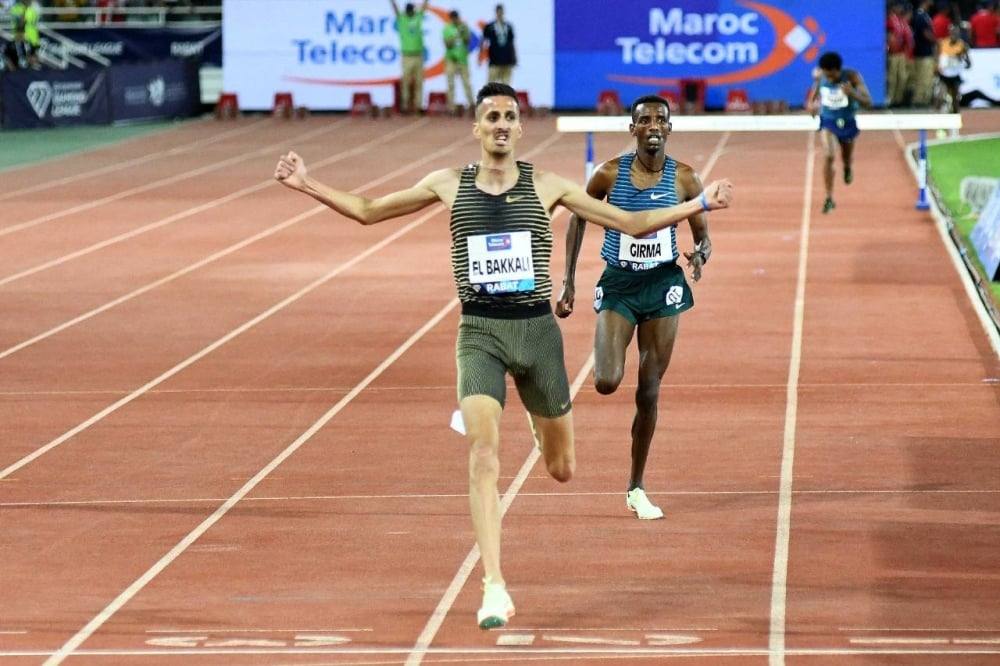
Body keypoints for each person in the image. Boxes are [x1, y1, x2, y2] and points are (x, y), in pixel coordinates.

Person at [274, 82, 734, 629]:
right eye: (489, 114)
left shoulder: (549, 185)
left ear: (519, 128)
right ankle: (494, 584)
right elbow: (370, 211)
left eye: (508, 115)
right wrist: (307, 185)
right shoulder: (448, 184)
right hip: (480, 332)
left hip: (537, 333)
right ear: (476, 127)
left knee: (563, 469)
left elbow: (630, 223)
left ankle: (544, 431)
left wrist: (699, 204)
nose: (499, 122)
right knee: (483, 454)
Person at [554, 95, 710, 521]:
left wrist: (699, 256)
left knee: (650, 389)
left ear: (671, 128)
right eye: (645, 120)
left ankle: (636, 486)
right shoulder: (608, 175)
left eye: (662, 119)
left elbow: (702, 235)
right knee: (606, 380)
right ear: (633, 130)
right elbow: (577, 217)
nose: (654, 126)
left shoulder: (686, 179)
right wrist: (568, 282)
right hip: (620, 284)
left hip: (663, 287)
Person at [808, 52, 872, 214]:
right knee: (828, 155)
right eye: (826, 75)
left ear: (838, 70)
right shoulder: (821, 76)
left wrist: (852, 93)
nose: (829, 79)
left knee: (846, 156)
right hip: (828, 121)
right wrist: (813, 106)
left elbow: (868, 102)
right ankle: (829, 197)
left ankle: (847, 167)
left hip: (847, 121)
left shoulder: (852, 76)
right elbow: (813, 99)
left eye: (831, 76)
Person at [390, 0, 429, 114]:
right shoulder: (402, 19)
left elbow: (424, 7)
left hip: (418, 55)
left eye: (411, 10)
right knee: (406, 81)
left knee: (419, 81)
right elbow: (395, 10)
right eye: (408, 11)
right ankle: (405, 105)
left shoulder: (418, 17)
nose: (409, 12)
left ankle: (418, 106)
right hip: (406, 55)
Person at [443, 9, 474, 115]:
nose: (455, 20)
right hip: (451, 60)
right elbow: (447, 44)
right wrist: (456, 34)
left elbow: (468, 41)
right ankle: (451, 108)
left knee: (467, 83)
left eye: (456, 17)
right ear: (451, 18)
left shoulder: (464, 27)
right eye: (453, 18)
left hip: (462, 59)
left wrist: (464, 32)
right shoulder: (447, 29)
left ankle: (471, 105)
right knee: (451, 84)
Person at [937, 24, 971, 114]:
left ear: (959, 34)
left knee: (955, 99)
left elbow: (968, 63)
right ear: (949, 33)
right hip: (944, 75)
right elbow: (937, 58)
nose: (954, 34)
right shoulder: (942, 43)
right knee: (940, 96)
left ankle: (956, 117)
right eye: (952, 32)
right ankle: (938, 117)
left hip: (955, 75)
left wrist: (961, 59)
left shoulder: (962, 45)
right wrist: (938, 67)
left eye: (956, 33)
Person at [886, 1, 915, 108]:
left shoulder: (900, 20)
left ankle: (898, 100)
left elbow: (904, 37)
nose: (900, 9)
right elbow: (889, 36)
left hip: (901, 53)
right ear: (894, 8)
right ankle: (891, 99)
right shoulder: (890, 20)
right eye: (898, 7)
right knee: (893, 78)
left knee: (902, 77)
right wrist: (890, 47)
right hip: (893, 53)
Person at [910, 0, 937, 107]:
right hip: (922, 52)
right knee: (922, 77)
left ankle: (924, 100)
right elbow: (925, 33)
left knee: (926, 77)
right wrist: (936, 41)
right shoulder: (920, 15)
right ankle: (919, 101)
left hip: (925, 51)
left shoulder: (925, 14)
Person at [481, 4, 516, 85]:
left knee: (506, 87)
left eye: (501, 12)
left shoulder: (508, 26)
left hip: (507, 60)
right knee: (491, 87)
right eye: (498, 12)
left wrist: (514, 58)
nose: (500, 14)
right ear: (496, 13)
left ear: (503, 13)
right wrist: (481, 57)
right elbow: (483, 42)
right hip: (494, 60)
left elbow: (511, 43)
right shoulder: (490, 26)